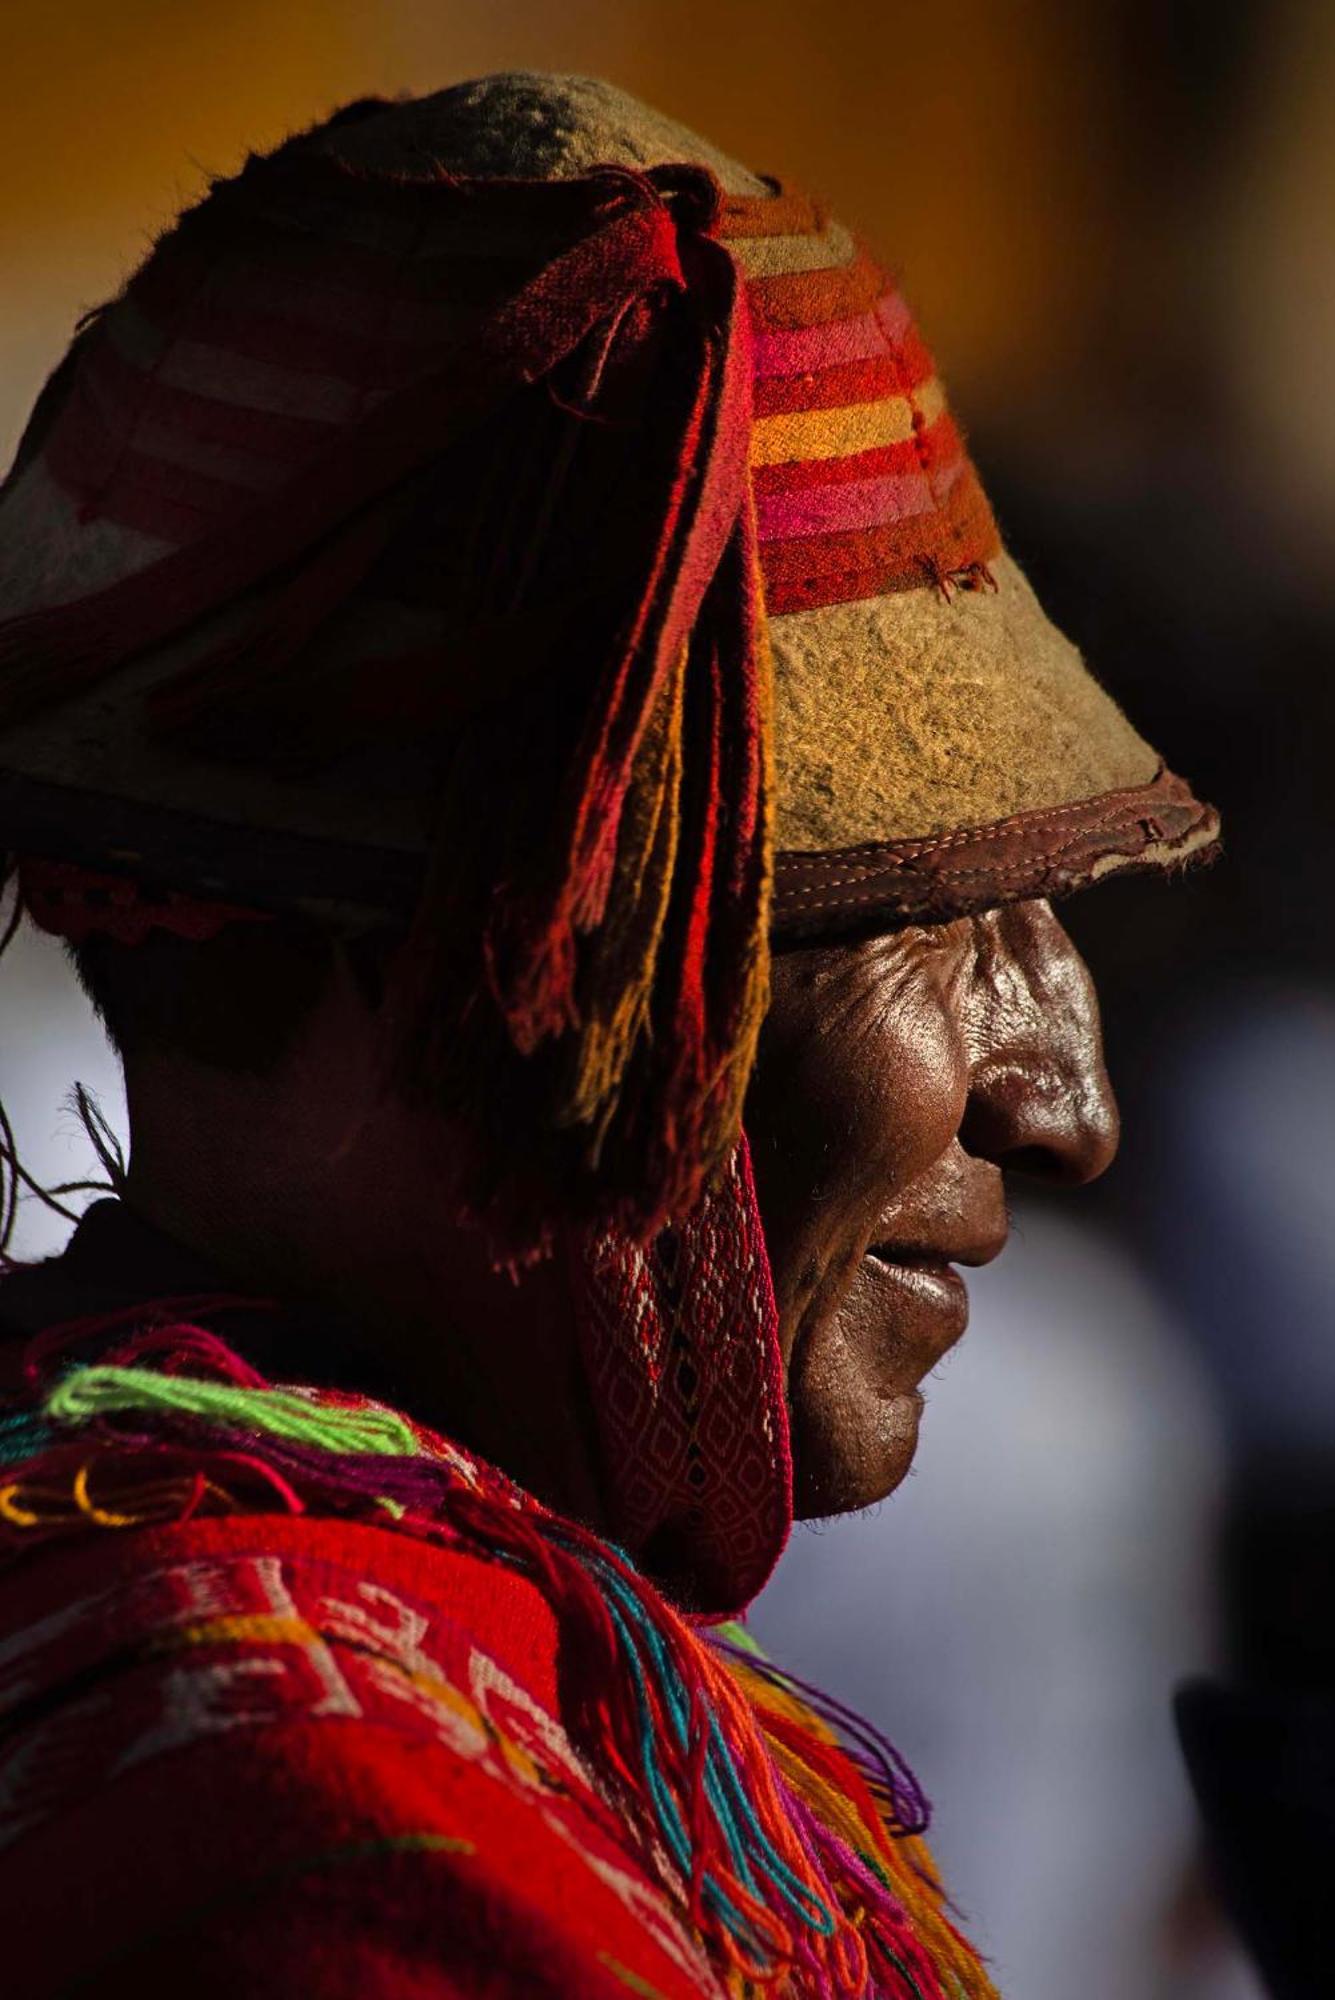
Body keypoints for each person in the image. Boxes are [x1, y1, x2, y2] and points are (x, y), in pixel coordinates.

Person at [0, 75, 1217, 1999]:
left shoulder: (333, 1665)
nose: (1067, 1105)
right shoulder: (319, 1835)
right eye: (911, 912)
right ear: (498, 957)